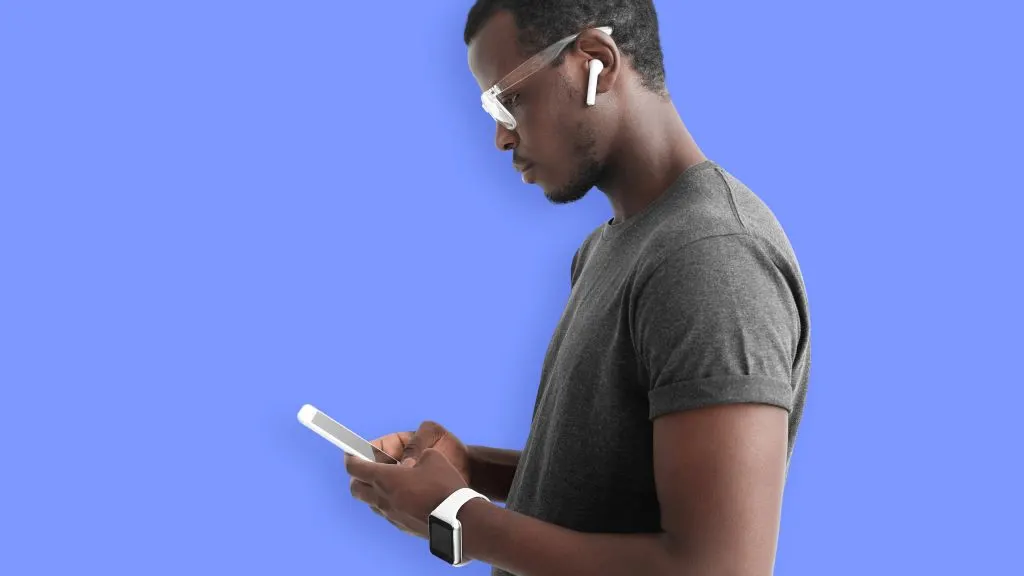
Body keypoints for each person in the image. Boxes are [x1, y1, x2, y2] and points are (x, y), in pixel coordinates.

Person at [343, 1, 812, 575]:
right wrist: (474, 471)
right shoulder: (612, 248)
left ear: (596, 62)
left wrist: (460, 520)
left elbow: (718, 568)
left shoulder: (709, 256)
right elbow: (616, 484)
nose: (500, 137)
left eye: (509, 100)